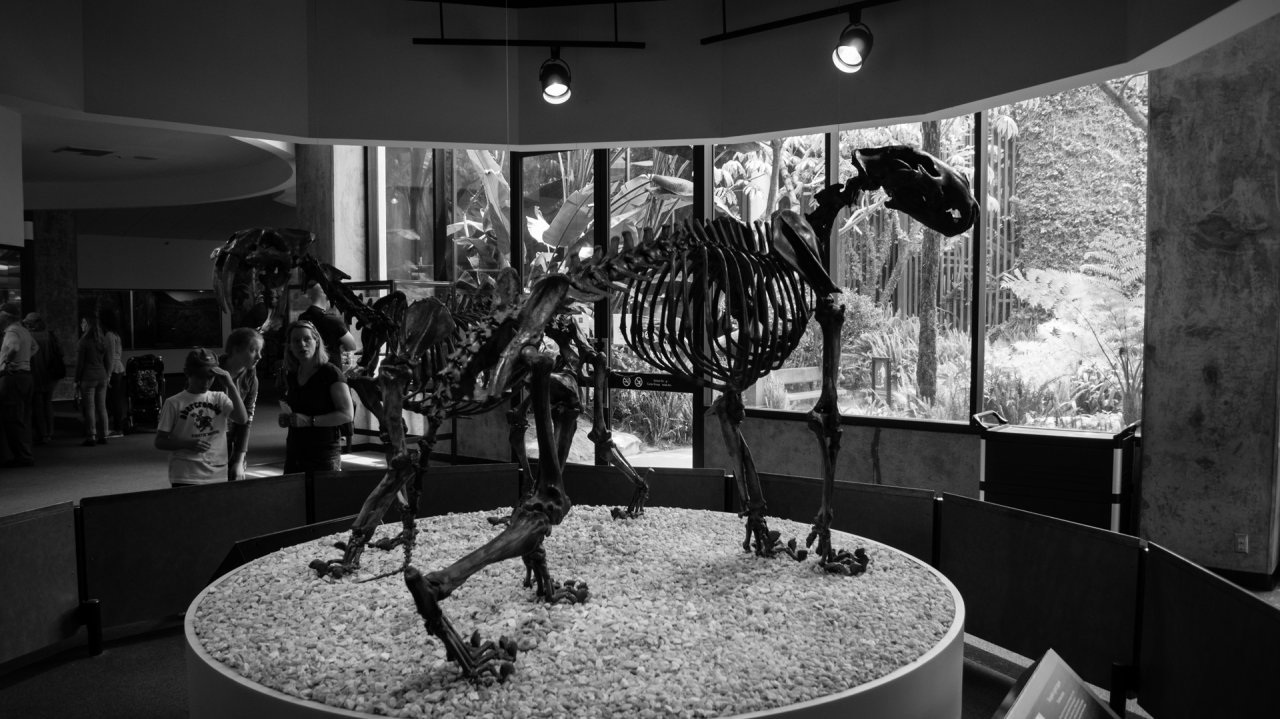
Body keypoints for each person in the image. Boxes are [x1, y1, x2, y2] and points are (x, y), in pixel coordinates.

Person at [154, 348, 248, 487]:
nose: (205, 383)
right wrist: (187, 444)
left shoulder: (220, 398)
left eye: (210, 377)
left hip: (217, 473)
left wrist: (231, 385)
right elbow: (160, 441)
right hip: (186, 475)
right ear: (187, 373)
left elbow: (242, 419)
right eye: (200, 377)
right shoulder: (173, 403)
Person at [279, 319, 353, 473]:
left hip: (323, 453)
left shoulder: (330, 373)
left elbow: (346, 415)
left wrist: (309, 421)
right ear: (290, 346)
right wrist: (288, 418)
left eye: (307, 339)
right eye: (296, 340)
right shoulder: (292, 373)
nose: (302, 344)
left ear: (317, 342)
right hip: (295, 450)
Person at [219, 327, 263, 481]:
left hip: (232, 441)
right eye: (253, 350)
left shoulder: (252, 380)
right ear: (236, 349)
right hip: (207, 444)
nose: (259, 356)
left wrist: (239, 460)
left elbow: (246, 420)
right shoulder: (210, 374)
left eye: (260, 351)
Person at [0, 303, 37, 467]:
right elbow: (35, 347)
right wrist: (25, 360)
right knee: (24, 418)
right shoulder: (24, 330)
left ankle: (22, 457)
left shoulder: (12, 331)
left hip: (14, 378)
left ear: (6, 316)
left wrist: (6, 363)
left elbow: (14, 347)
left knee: (13, 418)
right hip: (26, 377)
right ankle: (25, 453)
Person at [23, 312, 63, 445]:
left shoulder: (29, 336)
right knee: (48, 403)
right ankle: (50, 431)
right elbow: (60, 353)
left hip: (35, 374)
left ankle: (43, 433)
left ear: (31, 324)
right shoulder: (50, 335)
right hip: (50, 374)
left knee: (38, 406)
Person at [75, 313, 111, 446]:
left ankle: (91, 436)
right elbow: (108, 361)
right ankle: (104, 435)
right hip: (102, 376)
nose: (81, 325)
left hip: (88, 377)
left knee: (90, 407)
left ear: (88, 325)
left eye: (83, 322)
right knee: (102, 407)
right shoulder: (103, 341)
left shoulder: (83, 342)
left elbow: (80, 364)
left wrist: (76, 380)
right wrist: (107, 375)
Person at [101, 311, 127, 437]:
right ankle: (118, 426)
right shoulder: (116, 335)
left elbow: (110, 356)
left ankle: (118, 428)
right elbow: (118, 354)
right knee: (116, 399)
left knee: (114, 400)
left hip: (114, 370)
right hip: (119, 369)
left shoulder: (109, 335)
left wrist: (108, 375)